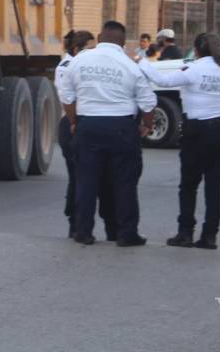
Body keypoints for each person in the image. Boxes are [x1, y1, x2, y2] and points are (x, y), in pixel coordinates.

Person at [138, 33, 220, 250]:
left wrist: (143, 61)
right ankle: (210, 236)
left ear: (198, 49)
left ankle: (185, 233)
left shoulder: (194, 70)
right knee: (214, 187)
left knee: (189, 185)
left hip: (197, 131)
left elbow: (162, 81)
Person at [58, 20, 156, 247]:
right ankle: (126, 234)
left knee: (86, 181)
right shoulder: (131, 65)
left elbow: (67, 96)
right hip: (121, 128)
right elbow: (148, 103)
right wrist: (147, 126)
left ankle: (83, 232)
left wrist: (74, 122)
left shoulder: (79, 60)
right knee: (125, 182)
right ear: (123, 42)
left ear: (100, 38)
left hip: (88, 125)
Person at [55, 29, 96, 237]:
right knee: (79, 177)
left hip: (82, 122)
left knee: (82, 177)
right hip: (73, 123)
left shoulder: (78, 63)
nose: (94, 53)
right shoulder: (67, 66)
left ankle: (77, 219)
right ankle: (75, 221)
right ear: (77, 48)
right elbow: (69, 97)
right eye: (90, 48)